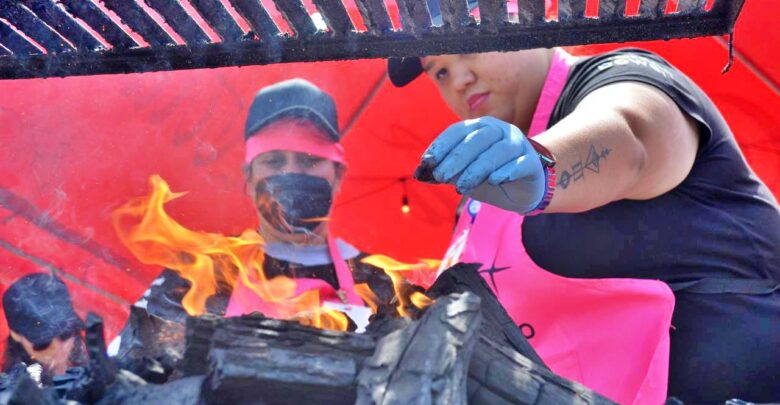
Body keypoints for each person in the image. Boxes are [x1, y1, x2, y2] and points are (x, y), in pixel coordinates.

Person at [388, 3, 780, 404]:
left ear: (523, 16)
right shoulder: (480, 192)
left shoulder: (620, 76)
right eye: (439, 71)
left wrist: (544, 163)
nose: (460, 80)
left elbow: (631, 139)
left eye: (469, 46)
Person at [111, 79, 398, 361]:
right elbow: (137, 371)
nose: (291, 173)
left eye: (309, 160)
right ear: (248, 179)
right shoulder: (196, 274)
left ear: (338, 176)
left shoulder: (380, 282)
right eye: (274, 161)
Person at [2, 273, 87, 384]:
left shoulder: (92, 360)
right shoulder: (13, 387)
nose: (59, 347)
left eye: (66, 334)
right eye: (43, 343)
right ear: (16, 335)